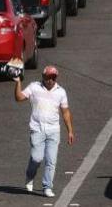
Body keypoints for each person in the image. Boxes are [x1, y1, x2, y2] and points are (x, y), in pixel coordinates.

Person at [15, 65, 74, 198]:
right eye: (48, 77)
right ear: (43, 77)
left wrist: (70, 131)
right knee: (37, 157)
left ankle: (47, 187)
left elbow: (65, 112)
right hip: (37, 129)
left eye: (53, 78)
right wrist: (18, 82)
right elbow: (19, 98)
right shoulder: (34, 87)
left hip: (53, 130)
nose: (50, 80)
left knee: (51, 161)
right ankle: (30, 176)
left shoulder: (61, 92)